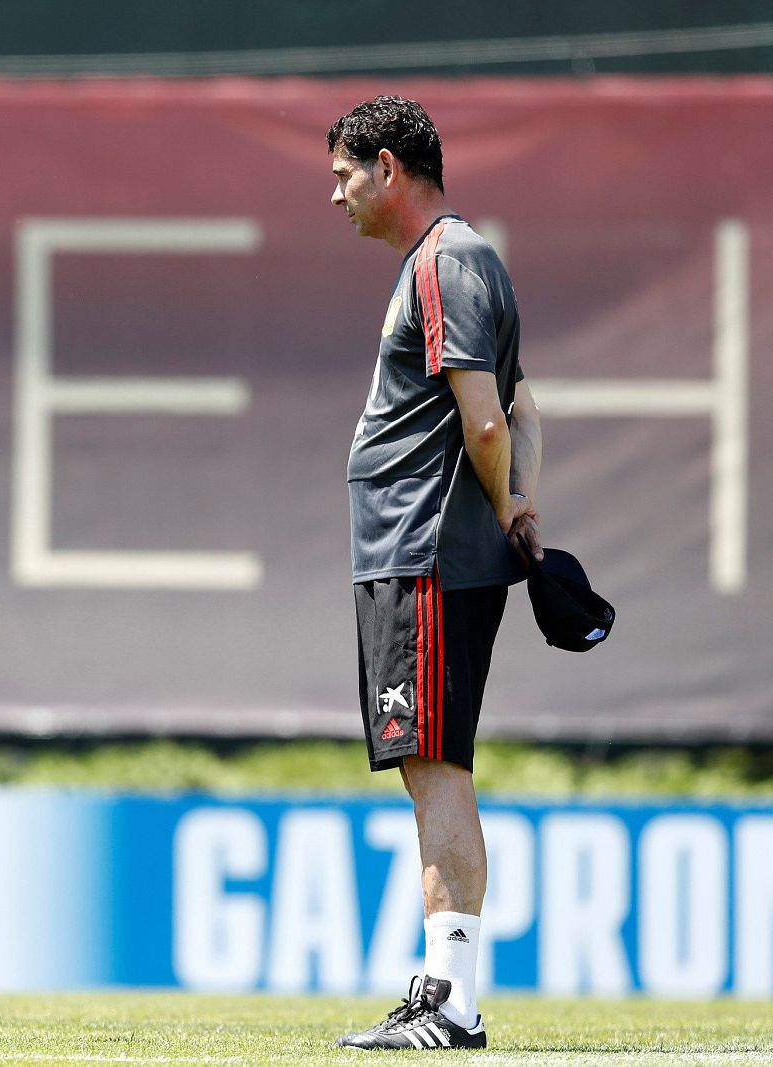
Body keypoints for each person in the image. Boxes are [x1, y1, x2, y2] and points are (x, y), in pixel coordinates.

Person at [326, 97, 543, 1050]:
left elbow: (491, 423)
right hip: (420, 554)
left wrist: (505, 507)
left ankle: (450, 998)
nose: (335, 194)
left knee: (436, 769)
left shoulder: (446, 262)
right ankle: (446, 990)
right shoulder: (458, 260)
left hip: (423, 553)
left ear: (387, 166)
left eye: (342, 174)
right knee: (430, 766)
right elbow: (529, 415)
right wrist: (521, 507)